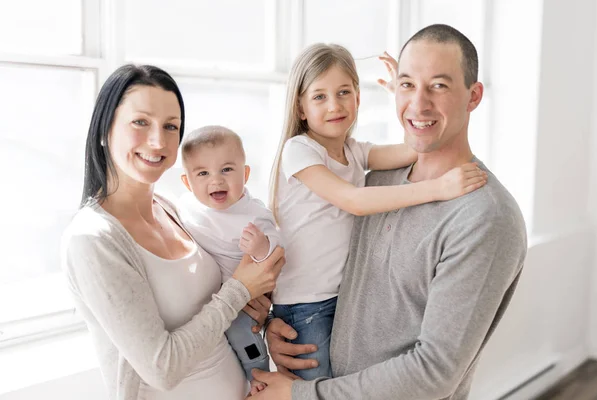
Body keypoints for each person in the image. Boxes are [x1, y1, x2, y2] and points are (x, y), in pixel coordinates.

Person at [253, 24, 528, 400]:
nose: (418, 103)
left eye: (439, 85)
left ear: (474, 96)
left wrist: (301, 395)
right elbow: (333, 270)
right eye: (407, 84)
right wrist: (280, 324)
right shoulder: (377, 179)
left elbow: (433, 374)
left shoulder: (485, 218)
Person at [60, 64, 284, 400]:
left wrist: (264, 324)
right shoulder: (93, 240)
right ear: (105, 129)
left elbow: (216, 304)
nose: (158, 140)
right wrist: (241, 289)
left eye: (170, 126)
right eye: (141, 122)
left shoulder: (176, 209)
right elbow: (162, 367)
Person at [177, 125, 282, 389]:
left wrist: (260, 247)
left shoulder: (253, 214)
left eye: (226, 170)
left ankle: (258, 377)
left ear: (245, 174)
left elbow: (277, 252)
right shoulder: (186, 208)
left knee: (245, 337)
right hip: (208, 305)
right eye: (203, 173)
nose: (216, 180)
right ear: (187, 183)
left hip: (244, 302)